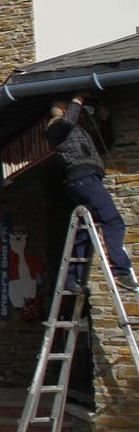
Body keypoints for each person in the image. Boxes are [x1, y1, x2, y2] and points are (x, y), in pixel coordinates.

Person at [47, 96, 139, 294]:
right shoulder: (55, 129)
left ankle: (73, 281)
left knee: (84, 230)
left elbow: (104, 143)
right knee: (113, 221)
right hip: (84, 179)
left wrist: (104, 120)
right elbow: (67, 121)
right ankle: (121, 272)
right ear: (63, 111)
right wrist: (77, 101)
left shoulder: (76, 132)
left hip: (85, 180)